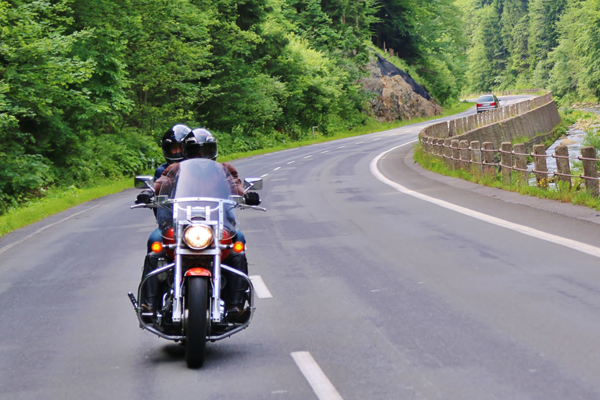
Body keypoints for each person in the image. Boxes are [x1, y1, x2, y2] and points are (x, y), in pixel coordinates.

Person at [140, 127, 260, 322]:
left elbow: (235, 184)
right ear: (187, 152)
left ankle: (235, 305)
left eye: (205, 150)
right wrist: (149, 192)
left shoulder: (224, 169)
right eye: (196, 151)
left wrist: (246, 194)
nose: (201, 156)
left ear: (213, 151)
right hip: (181, 224)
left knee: (238, 243)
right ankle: (149, 305)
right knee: (156, 244)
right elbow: (162, 182)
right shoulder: (175, 170)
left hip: (216, 224)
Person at [136, 124, 191, 252]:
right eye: (174, 149)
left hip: (205, 221)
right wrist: (148, 192)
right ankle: (152, 272)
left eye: (181, 148)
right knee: (154, 240)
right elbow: (158, 185)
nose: (177, 152)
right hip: (172, 223)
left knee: (237, 238)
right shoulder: (162, 171)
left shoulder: (203, 168)